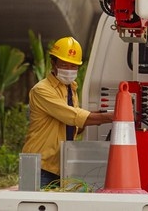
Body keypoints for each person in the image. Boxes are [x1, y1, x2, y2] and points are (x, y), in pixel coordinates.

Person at [21, 36, 114, 189]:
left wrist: (99, 114)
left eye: (73, 66)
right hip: (41, 166)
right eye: (64, 65)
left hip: (61, 164)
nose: (69, 70)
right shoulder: (42, 90)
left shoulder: (70, 89)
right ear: (53, 63)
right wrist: (110, 117)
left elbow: (73, 127)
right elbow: (73, 117)